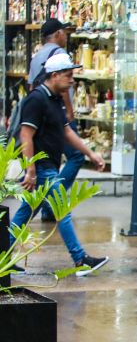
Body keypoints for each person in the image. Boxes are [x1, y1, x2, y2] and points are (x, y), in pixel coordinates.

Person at [11, 53, 109, 276]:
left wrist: (91, 155)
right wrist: (31, 169)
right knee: (62, 210)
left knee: (25, 213)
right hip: (42, 167)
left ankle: (3, 255)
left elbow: (66, 131)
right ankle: (80, 259)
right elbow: (26, 136)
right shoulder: (36, 100)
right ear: (54, 76)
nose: (72, 80)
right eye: (68, 75)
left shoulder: (55, 99)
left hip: (49, 166)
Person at [27, 18, 84, 223]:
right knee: (76, 156)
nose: (66, 36)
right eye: (64, 32)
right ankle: (54, 202)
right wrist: (68, 111)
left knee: (52, 163)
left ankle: (50, 203)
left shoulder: (36, 56)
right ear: (58, 34)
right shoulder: (60, 55)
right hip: (56, 114)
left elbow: (32, 87)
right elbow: (64, 87)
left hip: (42, 116)